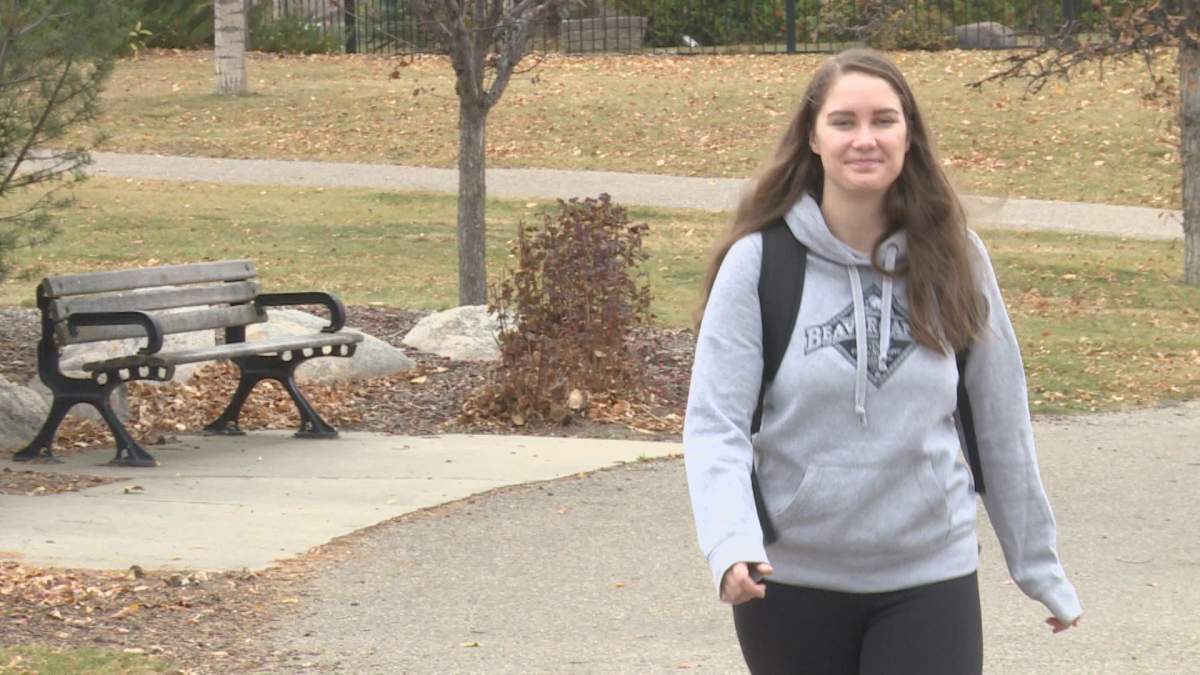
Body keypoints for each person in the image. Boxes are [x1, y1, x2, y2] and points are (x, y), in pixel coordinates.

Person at [682, 48, 1082, 675]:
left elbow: (1001, 422)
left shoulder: (957, 258)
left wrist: (1038, 565)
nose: (864, 139)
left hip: (930, 576)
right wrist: (730, 544)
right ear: (813, 137)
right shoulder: (760, 263)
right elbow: (715, 425)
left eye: (883, 120)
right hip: (790, 584)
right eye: (844, 121)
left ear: (908, 135)